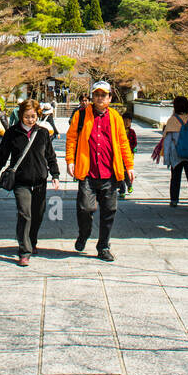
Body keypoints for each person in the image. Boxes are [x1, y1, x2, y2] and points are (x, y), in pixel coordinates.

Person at [65, 80, 134, 262]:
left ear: (110, 97)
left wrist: (129, 165)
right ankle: (84, 233)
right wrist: (70, 160)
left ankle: (103, 246)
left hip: (110, 173)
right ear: (92, 96)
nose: (99, 98)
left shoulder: (115, 118)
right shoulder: (81, 115)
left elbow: (123, 143)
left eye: (103, 95)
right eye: (96, 94)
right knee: (85, 208)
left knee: (109, 211)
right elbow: (71, 138)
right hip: (88, 171)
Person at [0, 99, 61, 266]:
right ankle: (24, 251)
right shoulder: (12, 133)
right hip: (21, 181)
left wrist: (55, 174)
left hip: (40, 181)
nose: (30, 120)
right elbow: (2, 157)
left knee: (37, 215)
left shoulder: (42, 133)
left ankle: (32, 241)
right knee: (24, 214)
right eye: (27, 116)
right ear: (21, 116)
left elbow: (50, 155)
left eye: (33, 116)